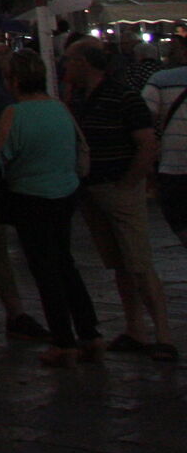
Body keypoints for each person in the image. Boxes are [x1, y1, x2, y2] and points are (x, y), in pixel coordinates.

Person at [65, 40, 175, 360]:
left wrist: (130, 181)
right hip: (93, 188)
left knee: (138, 262)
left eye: (70, 60)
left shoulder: (123, 96)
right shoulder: (80, 98)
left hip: (119, 186)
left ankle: (163, 334)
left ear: (86, 62)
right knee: (119, 263)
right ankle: (135, 329)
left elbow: (147, 142)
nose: (65, 66)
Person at [0, 49, 99, 365]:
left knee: (44, 269)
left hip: (30, 197)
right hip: (64, 193)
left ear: (14, 81)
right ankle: (90, 333)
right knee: (65, 263)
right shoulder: (60, 108)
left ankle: (63, 341)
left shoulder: (14, 114)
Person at [149, 39, 187, 248]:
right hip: (173, 164)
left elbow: (145, 116)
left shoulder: (160, 80)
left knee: (179, 217)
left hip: (174, 164)